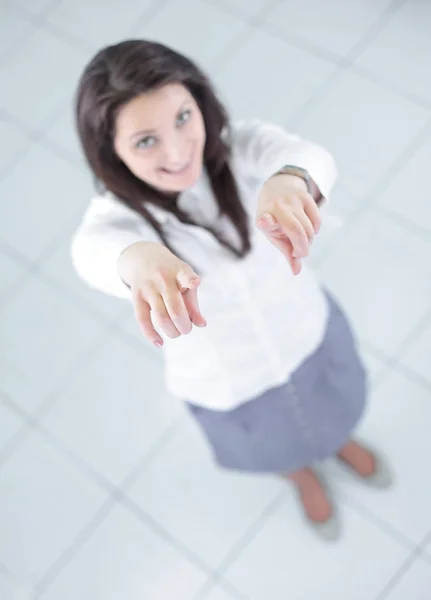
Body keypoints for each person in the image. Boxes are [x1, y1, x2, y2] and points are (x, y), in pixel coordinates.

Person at [72, 39, 391, 541]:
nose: (178, 153)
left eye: (182, 117)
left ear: (199, 101)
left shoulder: (240, 146)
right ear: (108, 149)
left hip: (304, 332)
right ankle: (300, 474)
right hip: (229, 383)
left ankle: (337, 443)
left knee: (335, 405)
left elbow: (304, 156)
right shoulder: (116, 218)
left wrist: (290, 180)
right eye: (145, 141)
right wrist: (139, 260)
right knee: (273, 447)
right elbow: (92, 252)